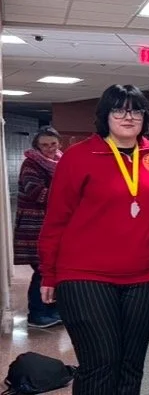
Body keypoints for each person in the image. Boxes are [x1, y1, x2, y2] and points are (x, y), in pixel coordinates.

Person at [38, 84, 149, 394]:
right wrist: (49, 272)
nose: (128, 117)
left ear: (145, 117)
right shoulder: (79, 157)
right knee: (100, 363)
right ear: (105, 115)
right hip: (85, 276)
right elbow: (56, 219)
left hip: (147, 276)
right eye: (119, 110)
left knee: (131, 364)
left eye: (136, 110)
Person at [13, 126, 63, 328]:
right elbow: (37, 193)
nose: (50, 148)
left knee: (53, 268)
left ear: (59, 143)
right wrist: (68, 194)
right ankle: (37, 314)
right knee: (42, 268)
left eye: (53, 144)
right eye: (44, 145)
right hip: (34, 226)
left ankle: (51, 310)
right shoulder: (31, 164)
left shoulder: (60, 161)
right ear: (37, 146)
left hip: (51, 224)